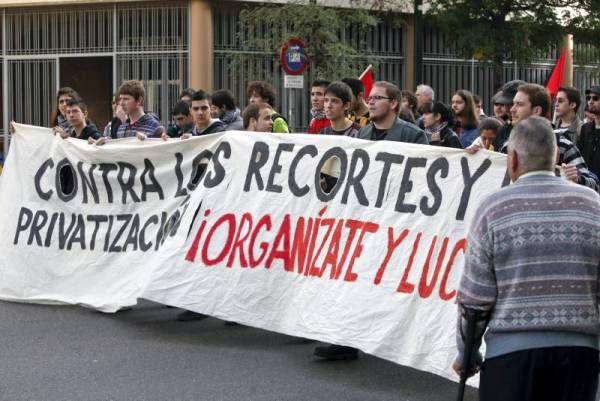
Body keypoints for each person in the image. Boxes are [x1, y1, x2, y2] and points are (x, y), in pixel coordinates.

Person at [454, 115, 600, 401]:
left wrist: (467, 353)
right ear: (556, 156)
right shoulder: (593, 205)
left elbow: (474, 300)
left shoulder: (493, 208)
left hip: (511, 358)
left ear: (513, 159)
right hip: (579, 356)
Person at [314, 82, 427, 361]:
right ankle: (345, 341)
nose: (371, 102)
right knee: (352, 278)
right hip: (365, 219)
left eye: (378, 98)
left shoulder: (413, 136)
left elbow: (427, 175)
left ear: (394, 104)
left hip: (397, 222)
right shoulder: (363, 133)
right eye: (370, 97)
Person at [577, 85, 600, 178]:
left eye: (595, 98)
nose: (590, 101)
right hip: (588, 183)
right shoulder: (585, 128)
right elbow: (580, 158)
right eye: (588, 98)